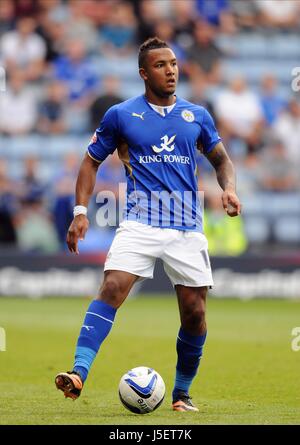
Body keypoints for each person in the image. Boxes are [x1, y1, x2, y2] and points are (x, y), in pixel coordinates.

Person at [55, 37, 241, 412]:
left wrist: (229, 189)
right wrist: (80, 212)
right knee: (112, 286)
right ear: (144, 73)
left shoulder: (196, 115)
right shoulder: (121, 115)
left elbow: (222, 160)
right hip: (140, 222)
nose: (170, 70)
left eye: (173, 63)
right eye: (160, 65)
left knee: (195, 312)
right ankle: (78, 372)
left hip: (187, 226)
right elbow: (90, 161)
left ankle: (181, 394)